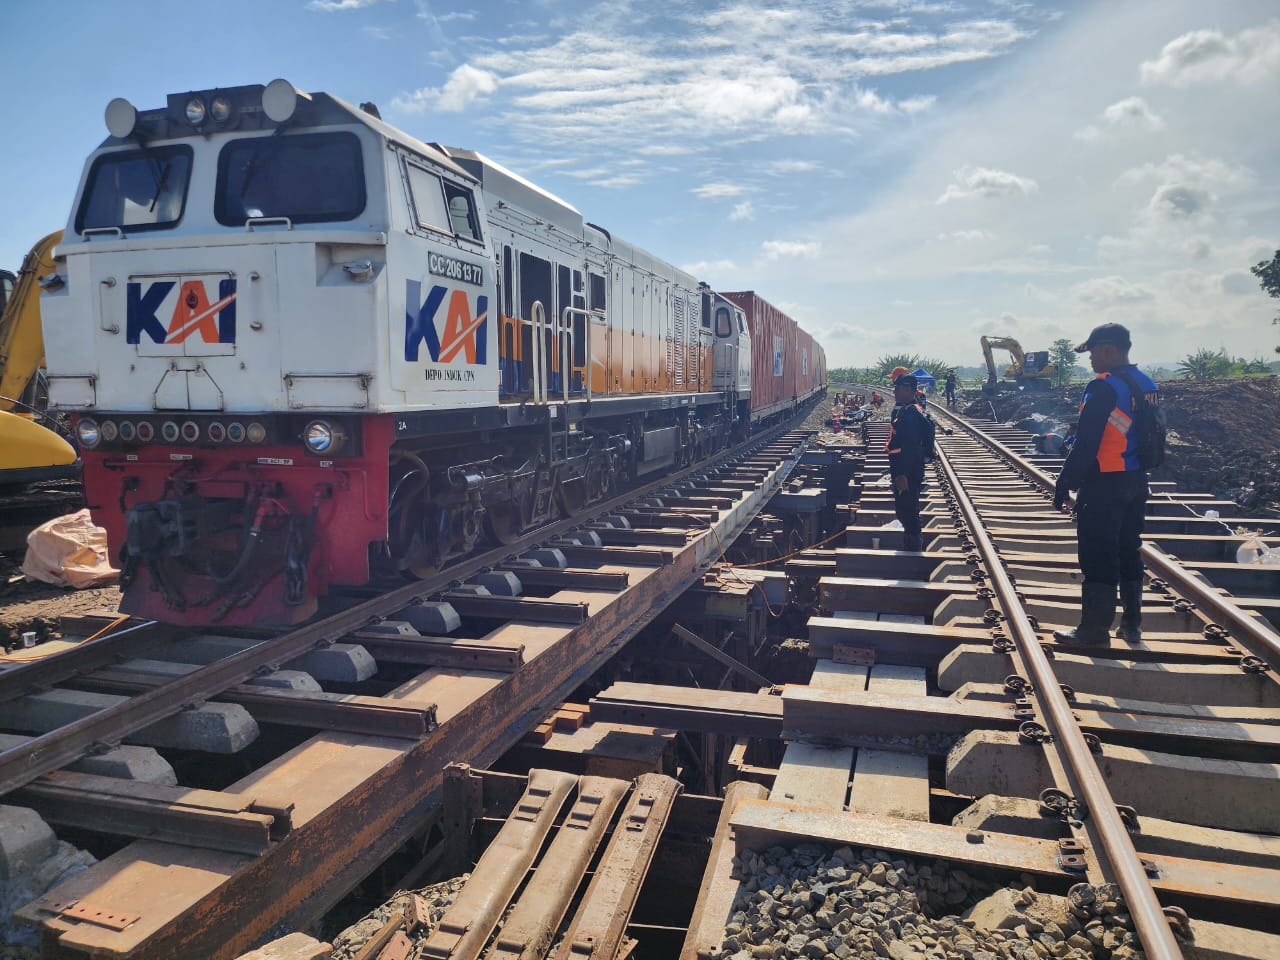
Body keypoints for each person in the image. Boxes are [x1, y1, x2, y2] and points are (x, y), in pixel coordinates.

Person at [1052, 323, 1158, 644]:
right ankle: (1131, 624)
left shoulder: (1103, 387)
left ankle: (1094, 631)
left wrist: (1064, 484)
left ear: (1109, 350)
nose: (1090, 360)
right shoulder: (1145, 383)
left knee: (1098, 553)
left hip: (1104, 483)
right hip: (1135, 480)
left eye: (1093, 352)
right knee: (1128, 549)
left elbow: (1086, 443)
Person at [885, 374, 930, 551]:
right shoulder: (907, 410)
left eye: (898, 388)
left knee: (907, 509)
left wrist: (902, 474)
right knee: (904, 508)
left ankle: (914, 546)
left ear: (908, 390)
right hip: (905, 470)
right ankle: (911, 542)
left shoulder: (911, 414)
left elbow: (910, 447)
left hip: (908, 473)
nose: (894, 392)